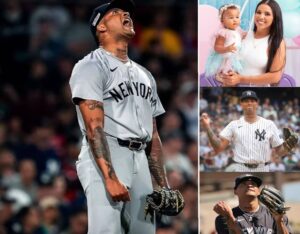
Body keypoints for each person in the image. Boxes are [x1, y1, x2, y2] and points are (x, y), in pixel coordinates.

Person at [69, 0, 175, 233]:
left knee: (145, 232)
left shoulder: (145, 74)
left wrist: (163, 185)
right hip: (108, 153)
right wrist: (109, 177)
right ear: (101, 28)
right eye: (116, 12)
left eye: (126, 11)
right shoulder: (90, 66)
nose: (125, 14)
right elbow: (93, 126)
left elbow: (153, 136)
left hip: (140, 159)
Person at [200, 90, 294, 172]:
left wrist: (287, 147)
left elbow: (279, 152)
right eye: (246, 101)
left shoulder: (269, 124)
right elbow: (219, 148)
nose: (249, 103)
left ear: (257, 103)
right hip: (241, 168)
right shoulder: (234, 124)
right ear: (241, 104)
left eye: (252, 101)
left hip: (263, 167)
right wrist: (207, 127)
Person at [221, 0, 285, 87]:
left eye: (267, 14)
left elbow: (275, 76)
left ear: (275, 18)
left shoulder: (276, 42)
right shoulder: (244, 35)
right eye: (258, 12)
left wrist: (241, 79)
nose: (261, 16)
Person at [214, 174, 292, 234]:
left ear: (258, 191)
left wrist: (279, 222)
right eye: (243, 183)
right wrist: (229, 218)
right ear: (235, 191)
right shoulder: (223, 218)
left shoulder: (276, 214)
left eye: (253, 183)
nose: (249, 185)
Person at [205, 4, 244, 79]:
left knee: (234, 75)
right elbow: (217, 47)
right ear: (222, 20)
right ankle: (223, 81)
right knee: (225, 75)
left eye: (237, 17)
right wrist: (227, 48)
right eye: (231, 17)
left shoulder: (238, 30)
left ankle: (232, 85)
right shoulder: (223, 33)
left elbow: (243, 36)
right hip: (224, 59)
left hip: (234, 58)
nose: (235, 19)